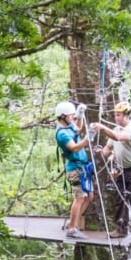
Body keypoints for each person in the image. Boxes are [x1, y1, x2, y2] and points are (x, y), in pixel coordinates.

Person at [90, 101, 131, 240]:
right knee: (120, 199)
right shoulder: (116, 129)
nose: (116, 117)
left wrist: (103, 128)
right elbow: (108, 148)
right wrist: (97, 157)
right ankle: (121, 229)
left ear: (127, 116)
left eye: (119, 115)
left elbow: (119, 138)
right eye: (115, 115)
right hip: (121, 170)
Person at [55, 100, 94, 239]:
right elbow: (75, 147)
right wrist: (88, 138)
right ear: (63, 116)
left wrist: (81, 114)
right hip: (75, 168)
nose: (73, 117)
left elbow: (78, 127)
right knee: (79, 198)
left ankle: (74, 222)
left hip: (82, 166)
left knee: (89, 197)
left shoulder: (68, 126)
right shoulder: (62, 134)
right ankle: (71, 229)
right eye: (71, 115)